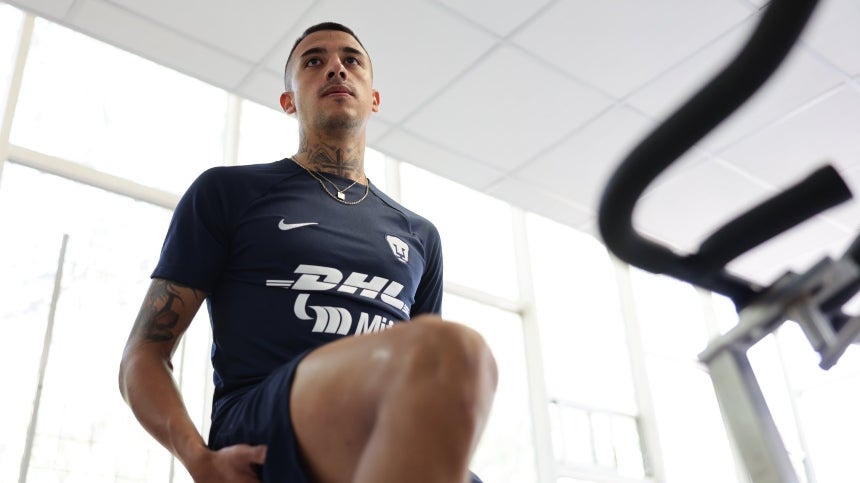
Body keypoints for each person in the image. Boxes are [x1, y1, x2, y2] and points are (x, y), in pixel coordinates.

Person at [118, 21, 498, 483]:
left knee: (455, 370)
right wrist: (198, 458)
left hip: (376, 427)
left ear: (374, 99)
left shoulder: (420, 236)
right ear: (289, 100)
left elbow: (428, 381)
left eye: (351, 60)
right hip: (262, 422)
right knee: (459, 352)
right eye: (314, 61)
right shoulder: (228, 192)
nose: (336, 68)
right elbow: (143, 354)